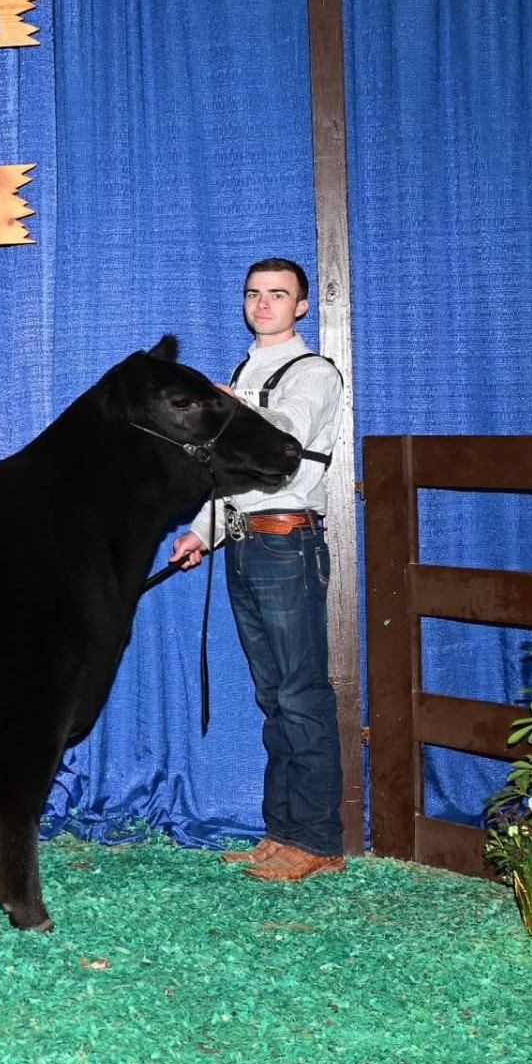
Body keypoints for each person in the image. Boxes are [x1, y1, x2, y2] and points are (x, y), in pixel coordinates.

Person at [169, 258, 346, 883]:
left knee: (300, 694)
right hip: (247, 543)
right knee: (273, 697)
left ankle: (319, 840)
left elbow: (287, 437)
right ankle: (282, 833)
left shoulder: (313, 371)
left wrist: (230, 404)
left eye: (278, 294)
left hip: (287, 544)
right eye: (253, 294)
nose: (263, 304)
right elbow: (234, 478)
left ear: (302, 306)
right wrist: (202, 532)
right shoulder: (247, 372)